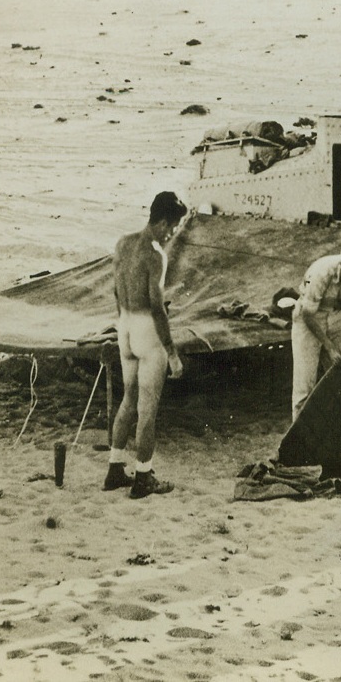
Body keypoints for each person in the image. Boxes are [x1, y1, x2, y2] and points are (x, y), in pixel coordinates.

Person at [102, 191, 188, 499]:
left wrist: (121, 321)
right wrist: (172, 352)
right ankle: (143, 477)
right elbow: (156, 306)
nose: (173, 234)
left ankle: (114, 469)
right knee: (148, 411)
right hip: (146, 331)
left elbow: (115, 290)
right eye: (174, 228)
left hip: (124, 325)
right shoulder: (155, 254)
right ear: (164, 222)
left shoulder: (123, 244)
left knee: (128, 400)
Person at [290, 238, 341, 422]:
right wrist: (329, 347)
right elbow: (307, 314)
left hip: (337, 317)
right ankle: (299, 440)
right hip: (309, 320)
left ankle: (338, 429)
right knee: (305, 387)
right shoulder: (320, 271)